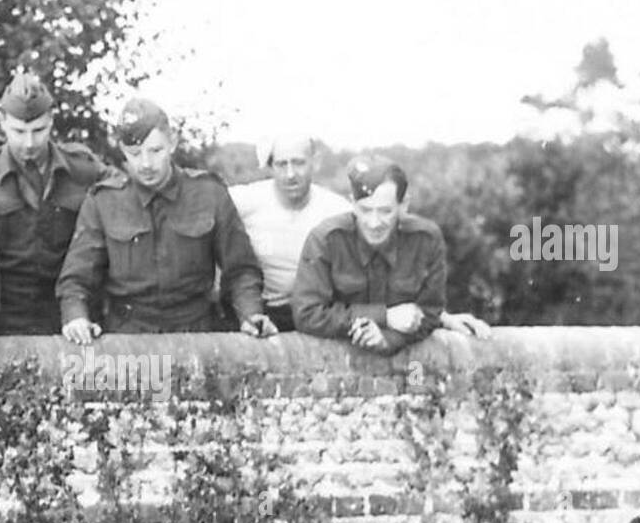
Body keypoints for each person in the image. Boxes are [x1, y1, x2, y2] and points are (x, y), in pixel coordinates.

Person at [56, 97, 274, 343]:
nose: (146, 164)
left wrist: (250, 314)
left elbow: (241, 270)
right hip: (128, 340)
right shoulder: (103, 202)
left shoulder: (209, 193)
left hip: (196, 335)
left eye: (155, 151)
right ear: (122, 150)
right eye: (135, 154)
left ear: (172, 143)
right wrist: (76, 318)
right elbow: (77, 279)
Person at [0, 71, 110, 335]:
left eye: (38, 131)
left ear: (51, 121)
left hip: (70, 313)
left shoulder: (83, 169)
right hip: (2, 313)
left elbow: (120, 197)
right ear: (2, 122)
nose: (28, 143)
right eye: (19, 131)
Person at [293, 155, 487, 353]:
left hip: (407, 362)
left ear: (404, 205)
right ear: (352, 203)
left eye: (385, 211)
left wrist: (389, 339)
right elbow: (307, 314)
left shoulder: (426, 240)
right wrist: (384, 316)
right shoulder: (326, 239)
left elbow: (431, 312)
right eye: (365, 210)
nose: (374, 222)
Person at [228, 134, 352, 332]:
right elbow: (204, 207)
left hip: (316, 312)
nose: (290, 174)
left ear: (315, 162)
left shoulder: (337, 210)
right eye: (281, 164)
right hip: (260, 310)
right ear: (271, 167)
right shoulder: (247, 200)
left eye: (299, 163)